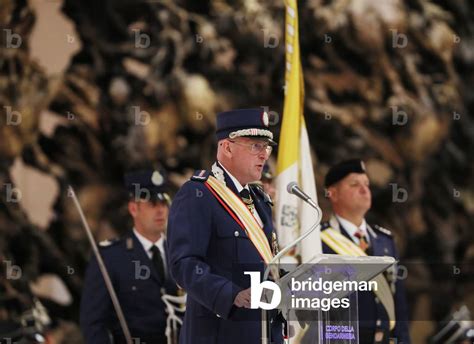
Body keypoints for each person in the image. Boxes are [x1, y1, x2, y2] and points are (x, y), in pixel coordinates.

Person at [167, 108, 284, 344]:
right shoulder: (198, 194)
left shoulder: (260, 201)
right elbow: (184, 264)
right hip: (219, 332)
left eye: (266, 147)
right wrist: (230, 294)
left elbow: (266, 266)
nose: (264, 155)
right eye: (255, 146)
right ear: (227, 147)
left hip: (262, 333)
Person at [80, 169, 178, 344]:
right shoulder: (110, 258)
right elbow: (93, 324)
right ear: (133, 208)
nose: (160, 211)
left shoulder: (182, 254)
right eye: (152, 204)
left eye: (164, 203)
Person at [321, 159, 411, 344]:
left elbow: (398, 302)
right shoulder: (320, 241)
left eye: (367, 185)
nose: (364, 190)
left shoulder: (385, 241)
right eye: (354, 184)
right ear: (333, 194)